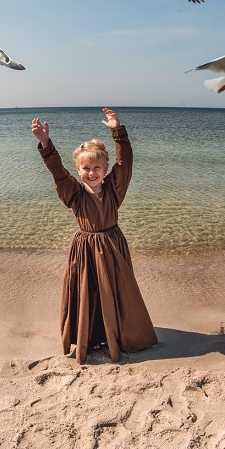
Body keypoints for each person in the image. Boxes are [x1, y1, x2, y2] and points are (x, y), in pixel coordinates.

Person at [31, 108, 158, 365]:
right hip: (86, 249)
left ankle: (121, 335)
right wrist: (45, 143)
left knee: (117, 292)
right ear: (78, 169)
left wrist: (117, 131)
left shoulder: (114, 189)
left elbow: (126, 162)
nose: (92, 172)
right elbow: (57, 171)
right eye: (86, 168)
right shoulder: (74, 193)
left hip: (112, 246)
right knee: (88, 293)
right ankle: (89, 336)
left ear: (105, 168)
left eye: (97, 167)